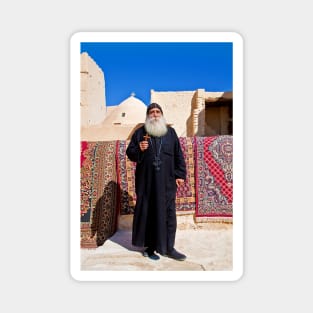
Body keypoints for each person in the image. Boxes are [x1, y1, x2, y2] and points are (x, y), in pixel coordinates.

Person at [126, 103, 187, 261]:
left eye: (157, 112)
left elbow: (178, 155)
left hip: (167, 182)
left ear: (162, 114)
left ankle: (169, 248)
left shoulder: (171, 133)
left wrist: (180, 174)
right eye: (151, 112)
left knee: (168, 215)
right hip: (147, 182)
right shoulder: (140, 133)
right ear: (147, 116)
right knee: (149, 213)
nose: (154, 115)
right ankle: (150, 247)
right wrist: (139, 148)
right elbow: (130, 153)